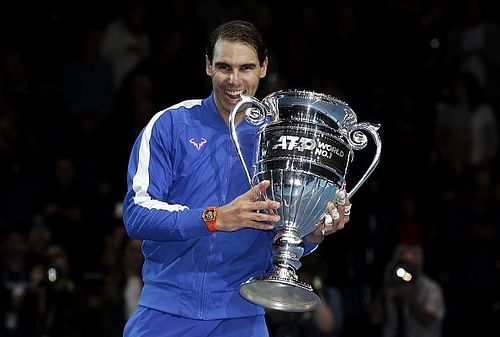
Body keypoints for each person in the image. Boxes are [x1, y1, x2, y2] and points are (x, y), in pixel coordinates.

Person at [122, 19, 351, 337]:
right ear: (207, 66)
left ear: (263, 68)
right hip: (165, 313)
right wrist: (215, 218)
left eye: (246, 68)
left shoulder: (277, 138)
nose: (233, 80)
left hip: (242, 316)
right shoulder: (170, 125)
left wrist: (314, 233)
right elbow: (137, 216)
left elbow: (281, 231)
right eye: (223, 67)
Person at [369, 244, 445, 337]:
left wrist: (409, 299)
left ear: (419, 266)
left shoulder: (431, 288)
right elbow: (375, 319)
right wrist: (383, 288)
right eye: (403, 264)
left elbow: (427, 320)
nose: (406, 270)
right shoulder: (391, 286)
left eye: (410, 265)